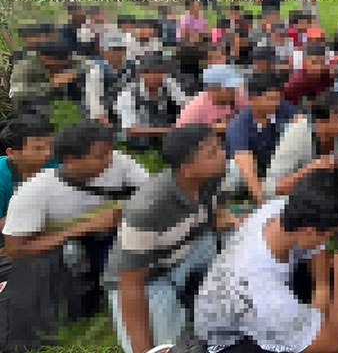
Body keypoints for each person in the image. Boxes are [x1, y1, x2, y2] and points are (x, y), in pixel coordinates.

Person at [3, 122, 148, 344]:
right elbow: (15, 250)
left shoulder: (118, 162)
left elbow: (150, 193)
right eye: (100, 156)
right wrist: (87, 227)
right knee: (69, 264)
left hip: (107, 239)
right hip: (63, 250)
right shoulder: (34, 192)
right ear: (71, 160)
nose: (110, 160)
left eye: (110, 151)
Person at [105, 124, 233, 353]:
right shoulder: (146, 209)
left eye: (220, 147)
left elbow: (220, 215)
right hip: (150, 275)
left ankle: (205, 291)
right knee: (165, 347)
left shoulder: (216, 175)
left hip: (194, 247)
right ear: (187, 169)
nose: (223, 154)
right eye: (212, 153)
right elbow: (131, 284)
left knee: (238, 240)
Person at [193, 171, 338, 353]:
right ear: (309, 232)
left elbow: (318, 254)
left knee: (330, 285)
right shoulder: (268, 298)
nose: (327, 243)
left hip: (237, 301)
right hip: (230, 340)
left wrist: (322, 289)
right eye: (328, 236)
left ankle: (308, 324)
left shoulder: (281, 208)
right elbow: (336, 343)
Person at [226, 73, 300, 204]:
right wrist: (260, 197)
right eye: (271, 99)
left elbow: (303, 125)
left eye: (278, 99)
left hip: (280, 165)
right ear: (253, 98)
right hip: (255, 168)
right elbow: (245, 161)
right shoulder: (239, 124)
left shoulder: (285, 109)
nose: (276, 104)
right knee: (235, 171)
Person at [264, 91, 338, 200]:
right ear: (320, 123)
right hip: (295, 200)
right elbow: (271, 189)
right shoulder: (297, 135)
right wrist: (310, 170)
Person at [116, 54, 187, 150]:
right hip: (139, 139)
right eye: (148, 72)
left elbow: (186, 106)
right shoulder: (128, 93)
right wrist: (167, 131)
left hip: (167, 135)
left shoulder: (170, 85)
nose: (154, 76)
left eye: (158, 72)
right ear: (141, 74)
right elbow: (130, 130)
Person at [0, 111, 56, 227]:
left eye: (50, 146)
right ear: (12, 153)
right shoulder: (2, 177)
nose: (47, 153)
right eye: (38, 148)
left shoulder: (54, 164)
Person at [176, 64, 247, 131]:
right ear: (213, 89)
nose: (234, 91)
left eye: (234, 87)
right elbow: (181, 133)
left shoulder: (239, 97)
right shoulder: (195, 109)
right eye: (229, 88)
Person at [284, 42, 335, 107]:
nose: (318, 67)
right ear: (305, 62)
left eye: (321, 62)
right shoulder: (295, 84)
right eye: (313, 63)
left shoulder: (328, 78)